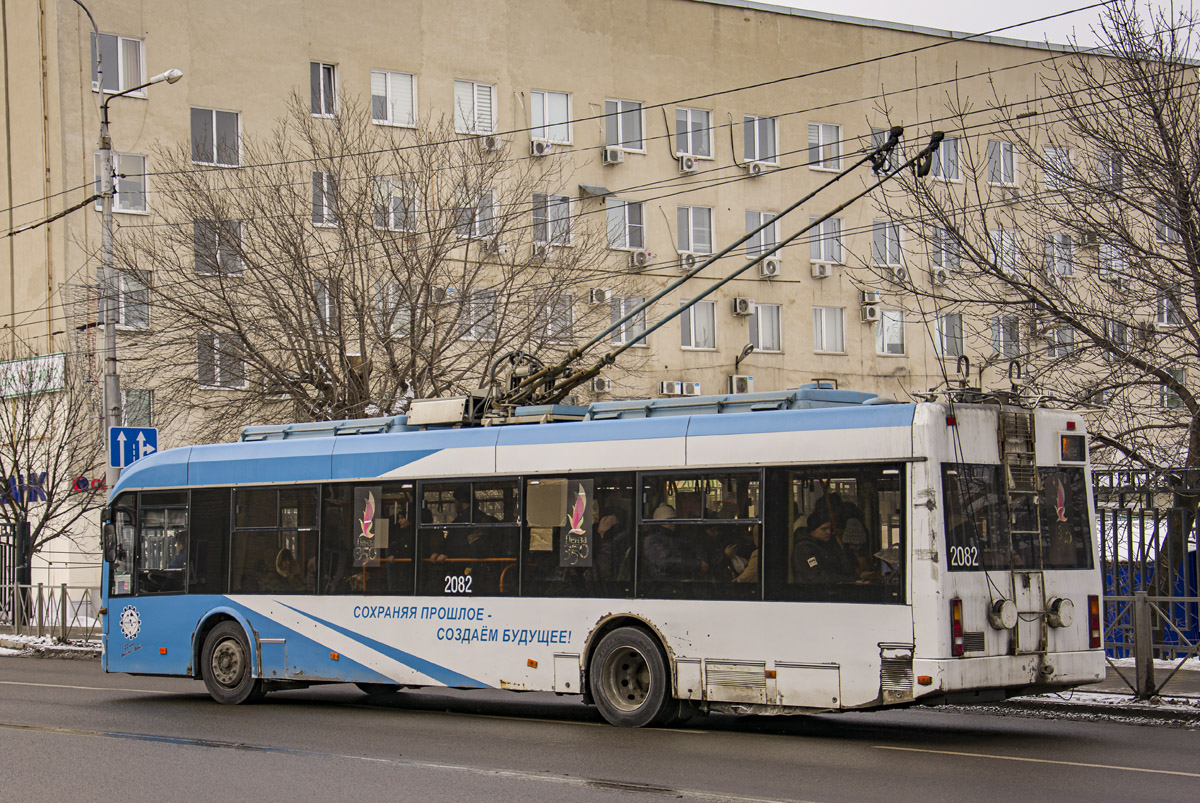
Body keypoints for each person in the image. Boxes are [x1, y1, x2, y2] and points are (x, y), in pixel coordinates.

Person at [792, 507, 856, 584]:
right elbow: (816, 577)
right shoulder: (804, 549)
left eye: (829, 528)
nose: (828, 532)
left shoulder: (828, 543)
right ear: (812, 531)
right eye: (824, 529)